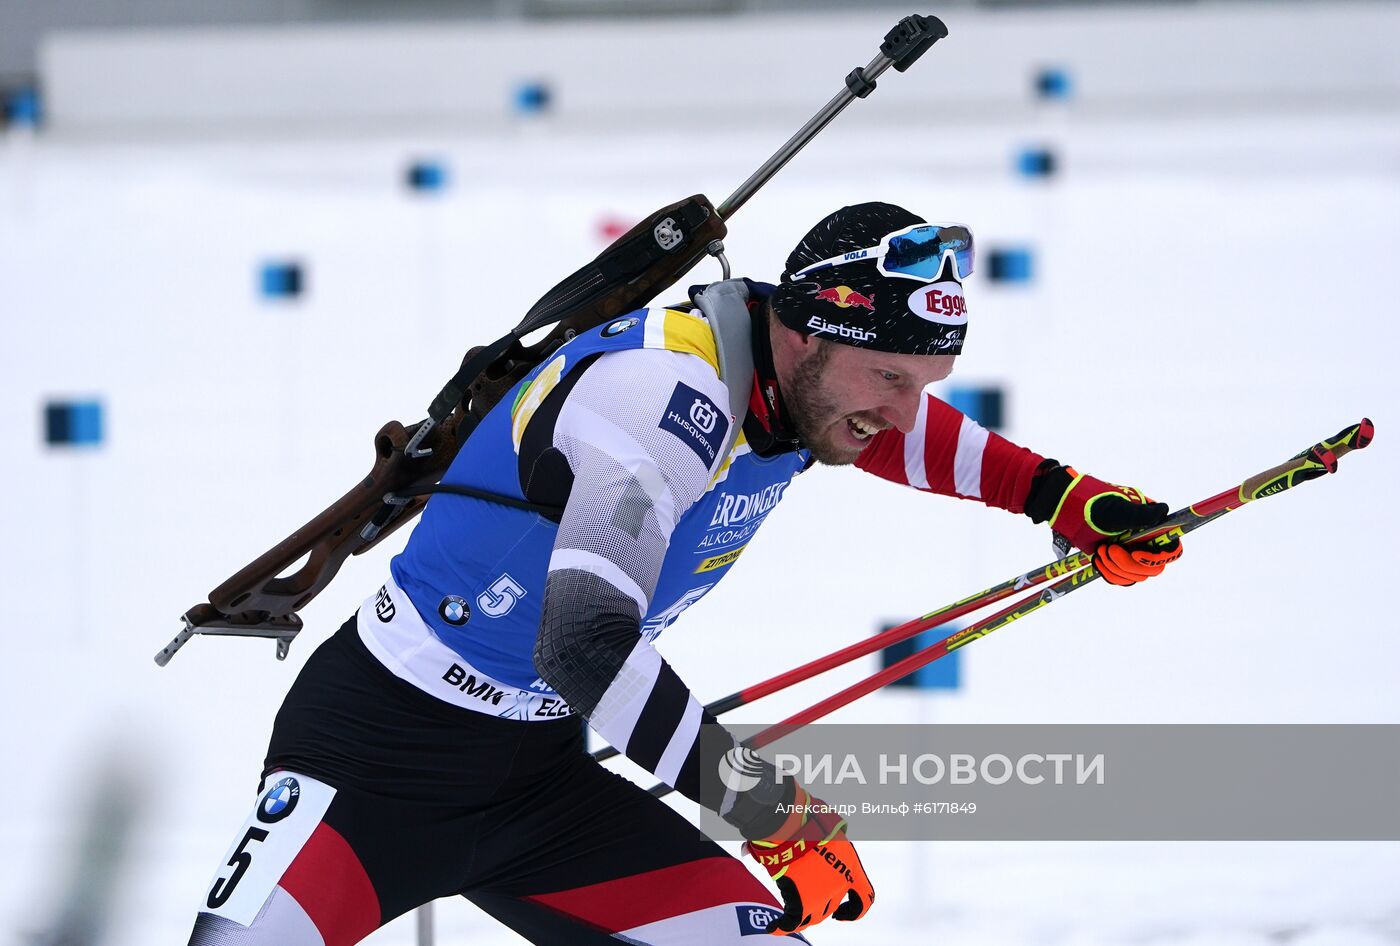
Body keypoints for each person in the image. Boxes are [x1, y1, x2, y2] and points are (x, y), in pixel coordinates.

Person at [187, 202, 1182, 945]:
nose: (901, 409)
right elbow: (580, 644)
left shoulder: (793, 387)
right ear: (800, 334)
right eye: (887, 377)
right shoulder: (663, 392)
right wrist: (768, 810)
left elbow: (891, 433)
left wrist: (1062, 496)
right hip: (375, 762)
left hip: (540, 786)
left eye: (920, 383)